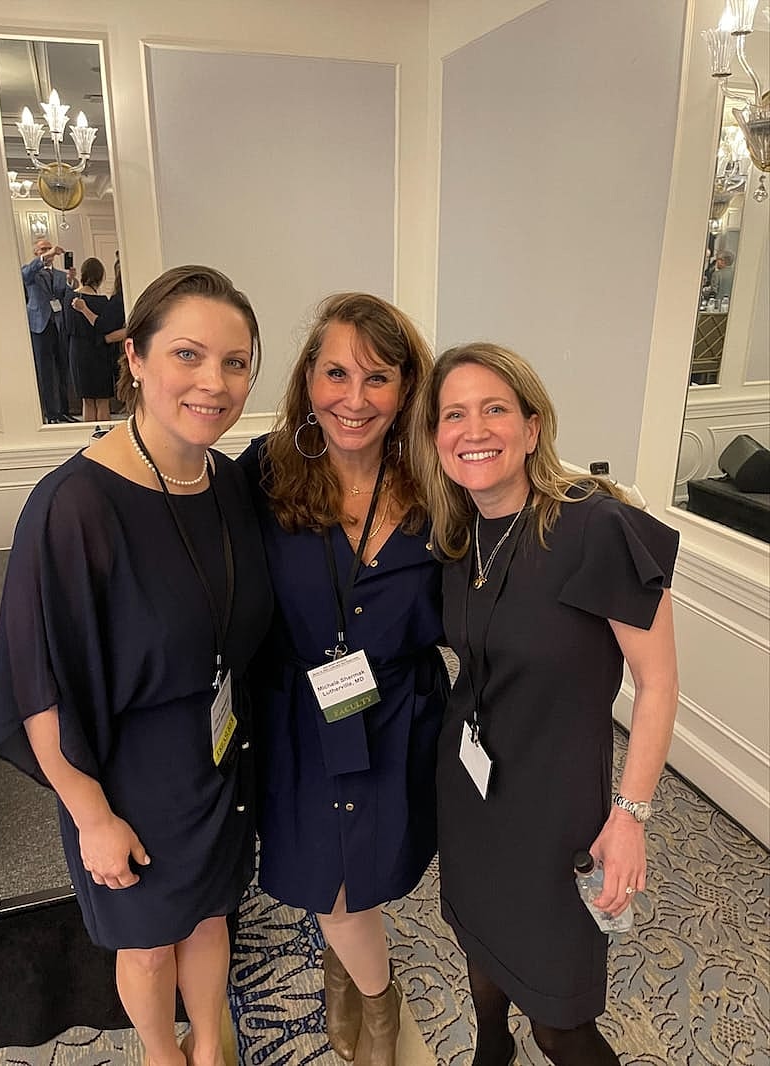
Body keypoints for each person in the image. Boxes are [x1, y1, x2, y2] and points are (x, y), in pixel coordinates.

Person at [0, 265, 273, 1066]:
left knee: (214, 914)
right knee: (148, 944)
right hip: (128, 776)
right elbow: (37, 687)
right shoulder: (74, 505)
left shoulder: (227, 480)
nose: (214, 383)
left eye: (235, 362)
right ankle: (161, 1054)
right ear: (137, 358)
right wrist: (90, 815)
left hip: (219, 757)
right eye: (188, 355)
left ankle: (209, 1047)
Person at [410, 343, 679, 1066]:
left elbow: (658, 685)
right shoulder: (457, 534)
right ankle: (490, 1049)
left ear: (533, 426)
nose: (475, 430)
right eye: (454, 415)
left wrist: (631, 818)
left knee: (562, 1020)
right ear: (434, 438)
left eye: (495, 409)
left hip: (559, 813)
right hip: (472, 794)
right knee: (479, 942)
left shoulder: (596, 527)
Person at [237, 293, 449, 1066]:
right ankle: (378, 1012)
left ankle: (350, 984)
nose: (353, 400)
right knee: (331, 884)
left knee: (360, 880)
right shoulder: (262, 478)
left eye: (378, 379)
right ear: (307, 380)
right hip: (296, 717)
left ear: (406, 391)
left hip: (394, 716)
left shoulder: (439, 491)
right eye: (335, 373)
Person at [21, 238, 74, 422]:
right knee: (45, 370)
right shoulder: (31, 271)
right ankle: (51, 413)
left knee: (62, 368)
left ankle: (64, 411)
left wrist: (71, 282)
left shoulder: (59, 274)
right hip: (39, 325)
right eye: (43, 249)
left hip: (58, 324)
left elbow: (64, 295)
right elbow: (24, 275)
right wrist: (46, 257)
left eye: (49, 248)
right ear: (36, 252)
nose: (48, 251)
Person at [67, 257, 113, 422]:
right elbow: (105, 328)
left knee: (86, 401)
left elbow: (66, 328)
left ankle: (89, 441)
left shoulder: (69, 298)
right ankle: (104, 442)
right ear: (101, 277)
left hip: (78, 351)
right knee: (102, 401)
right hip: (99, 351)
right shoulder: (103, 302)